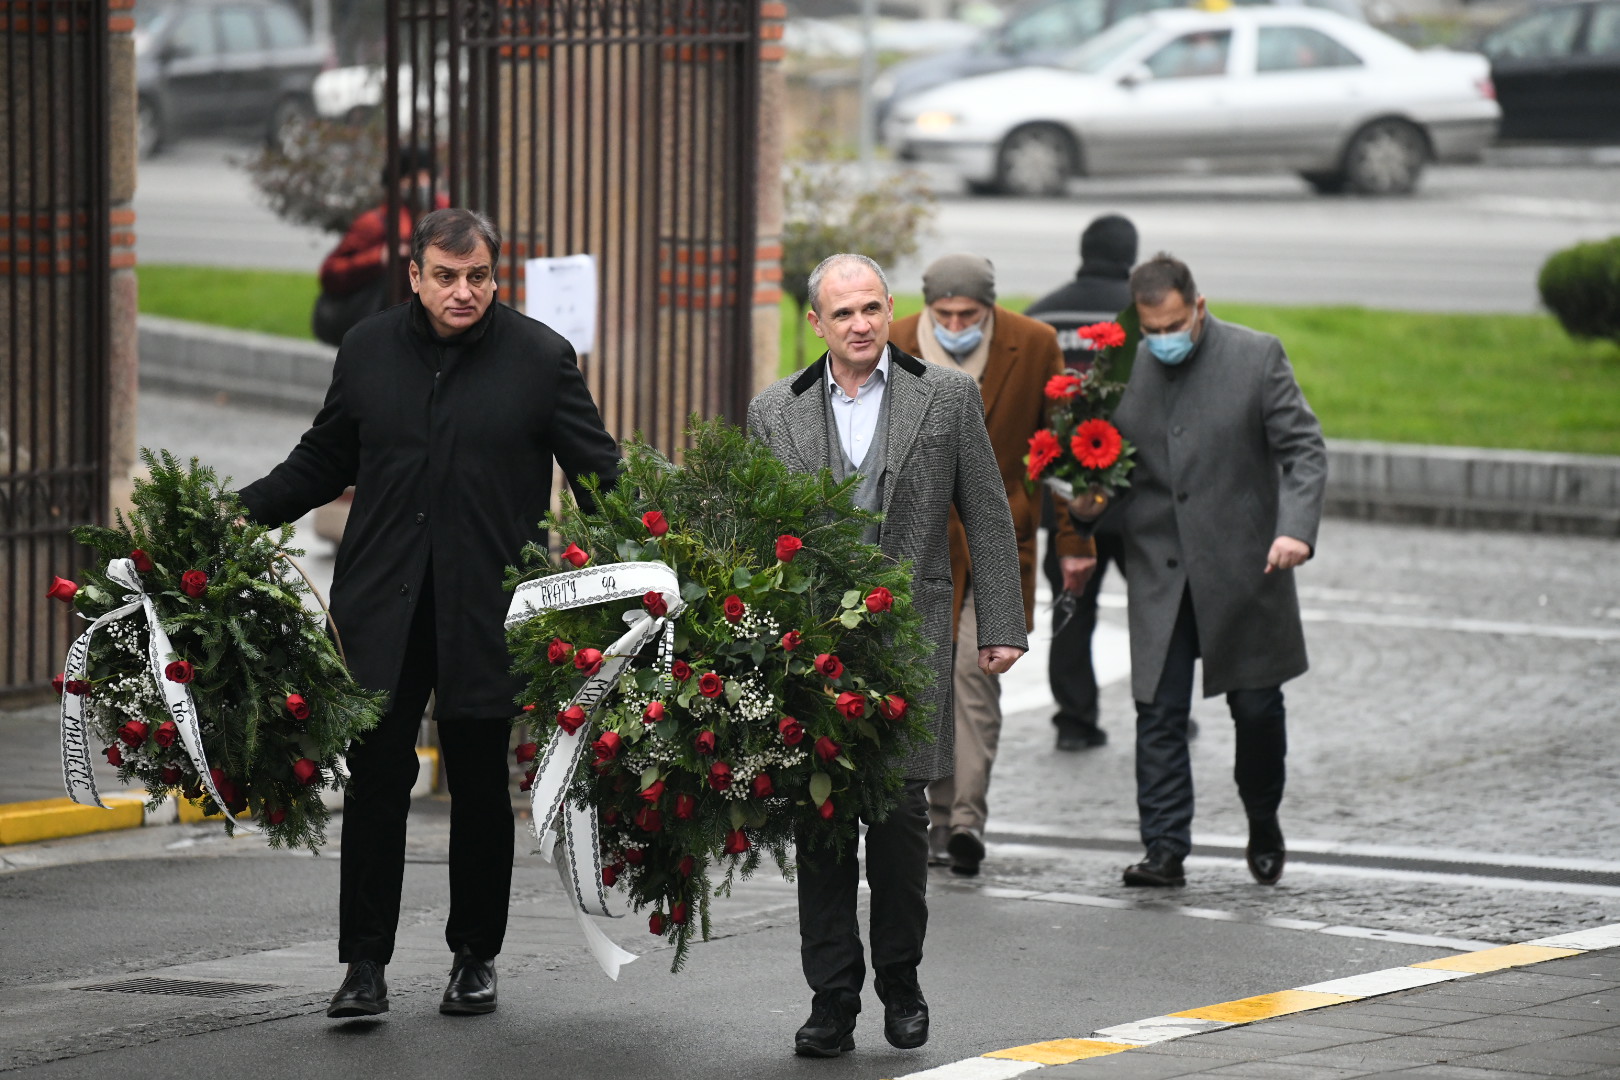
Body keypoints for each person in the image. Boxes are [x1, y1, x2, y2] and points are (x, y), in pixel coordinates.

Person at [239, 208, 620, 1019]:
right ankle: (365, 966)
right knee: (377, 780)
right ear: (414, 276)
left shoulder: (540, 359)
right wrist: (240, 513)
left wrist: (648, 557)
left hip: (490, 611)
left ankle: (474, 957)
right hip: (382, 606)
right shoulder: (369, 348)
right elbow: (324, 456)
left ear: (495, 276)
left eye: (477, 276)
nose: (462, 291)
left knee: (480, 786)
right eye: (445, 277)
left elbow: (600, 475)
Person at [747, 253, 1026, 1058]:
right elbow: (756, 534)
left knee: (902, 819)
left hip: (908, 637)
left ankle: (899, 979)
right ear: (817, 324)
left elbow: (989, 511)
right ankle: (832, 998)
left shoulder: (945, 396)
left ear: (889, 308)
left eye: (871, 308)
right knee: (823, 818)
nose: (861, 325)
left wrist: (1000, 620)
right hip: (813, 646)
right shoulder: (777, 410)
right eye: (844, 314)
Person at [1101, 253, 1326, 890]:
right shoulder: (1117, 369)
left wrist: (1295, 529)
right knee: (1158, 713)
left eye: (1174, 324)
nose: (1163, 339)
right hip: (1159, 573)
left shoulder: (1257, 357)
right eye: (1152, 330)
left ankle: (1263, 818)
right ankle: (1165, 848)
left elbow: (1304, 449)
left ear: (1197, 307)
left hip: (1247, 567)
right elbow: (1101, 466)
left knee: (1256, 709)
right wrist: (1086, 510)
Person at [888, 253, 1095, 877]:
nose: (956, 323)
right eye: (944, 313)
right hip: (912, 550)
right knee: (922, 681)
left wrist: (1074, 539)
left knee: (974, 676)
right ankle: (925, 814)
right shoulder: (893, 342)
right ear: (927, 308)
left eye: (969, 313)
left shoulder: (1031, 345)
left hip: (995, 547)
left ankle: (963, 822)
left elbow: (1059, 454)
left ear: (990, 307)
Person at [1027, 214, 1138, 752]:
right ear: (1130, 256)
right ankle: (1164, 709)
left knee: (1071, 608)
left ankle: (1075, 721)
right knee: (1157, 608)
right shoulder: (1147, 318)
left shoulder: (1043, 315)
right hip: (1140, 495)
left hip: (1065, 497)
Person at [312, 146, 447, 346]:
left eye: (428, 177)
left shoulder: (447, 215)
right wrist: (379, 257)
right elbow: (331, 273)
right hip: (390, 331)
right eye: (414, 178)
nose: (423, 184)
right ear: (397, 182)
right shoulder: (375, 223)